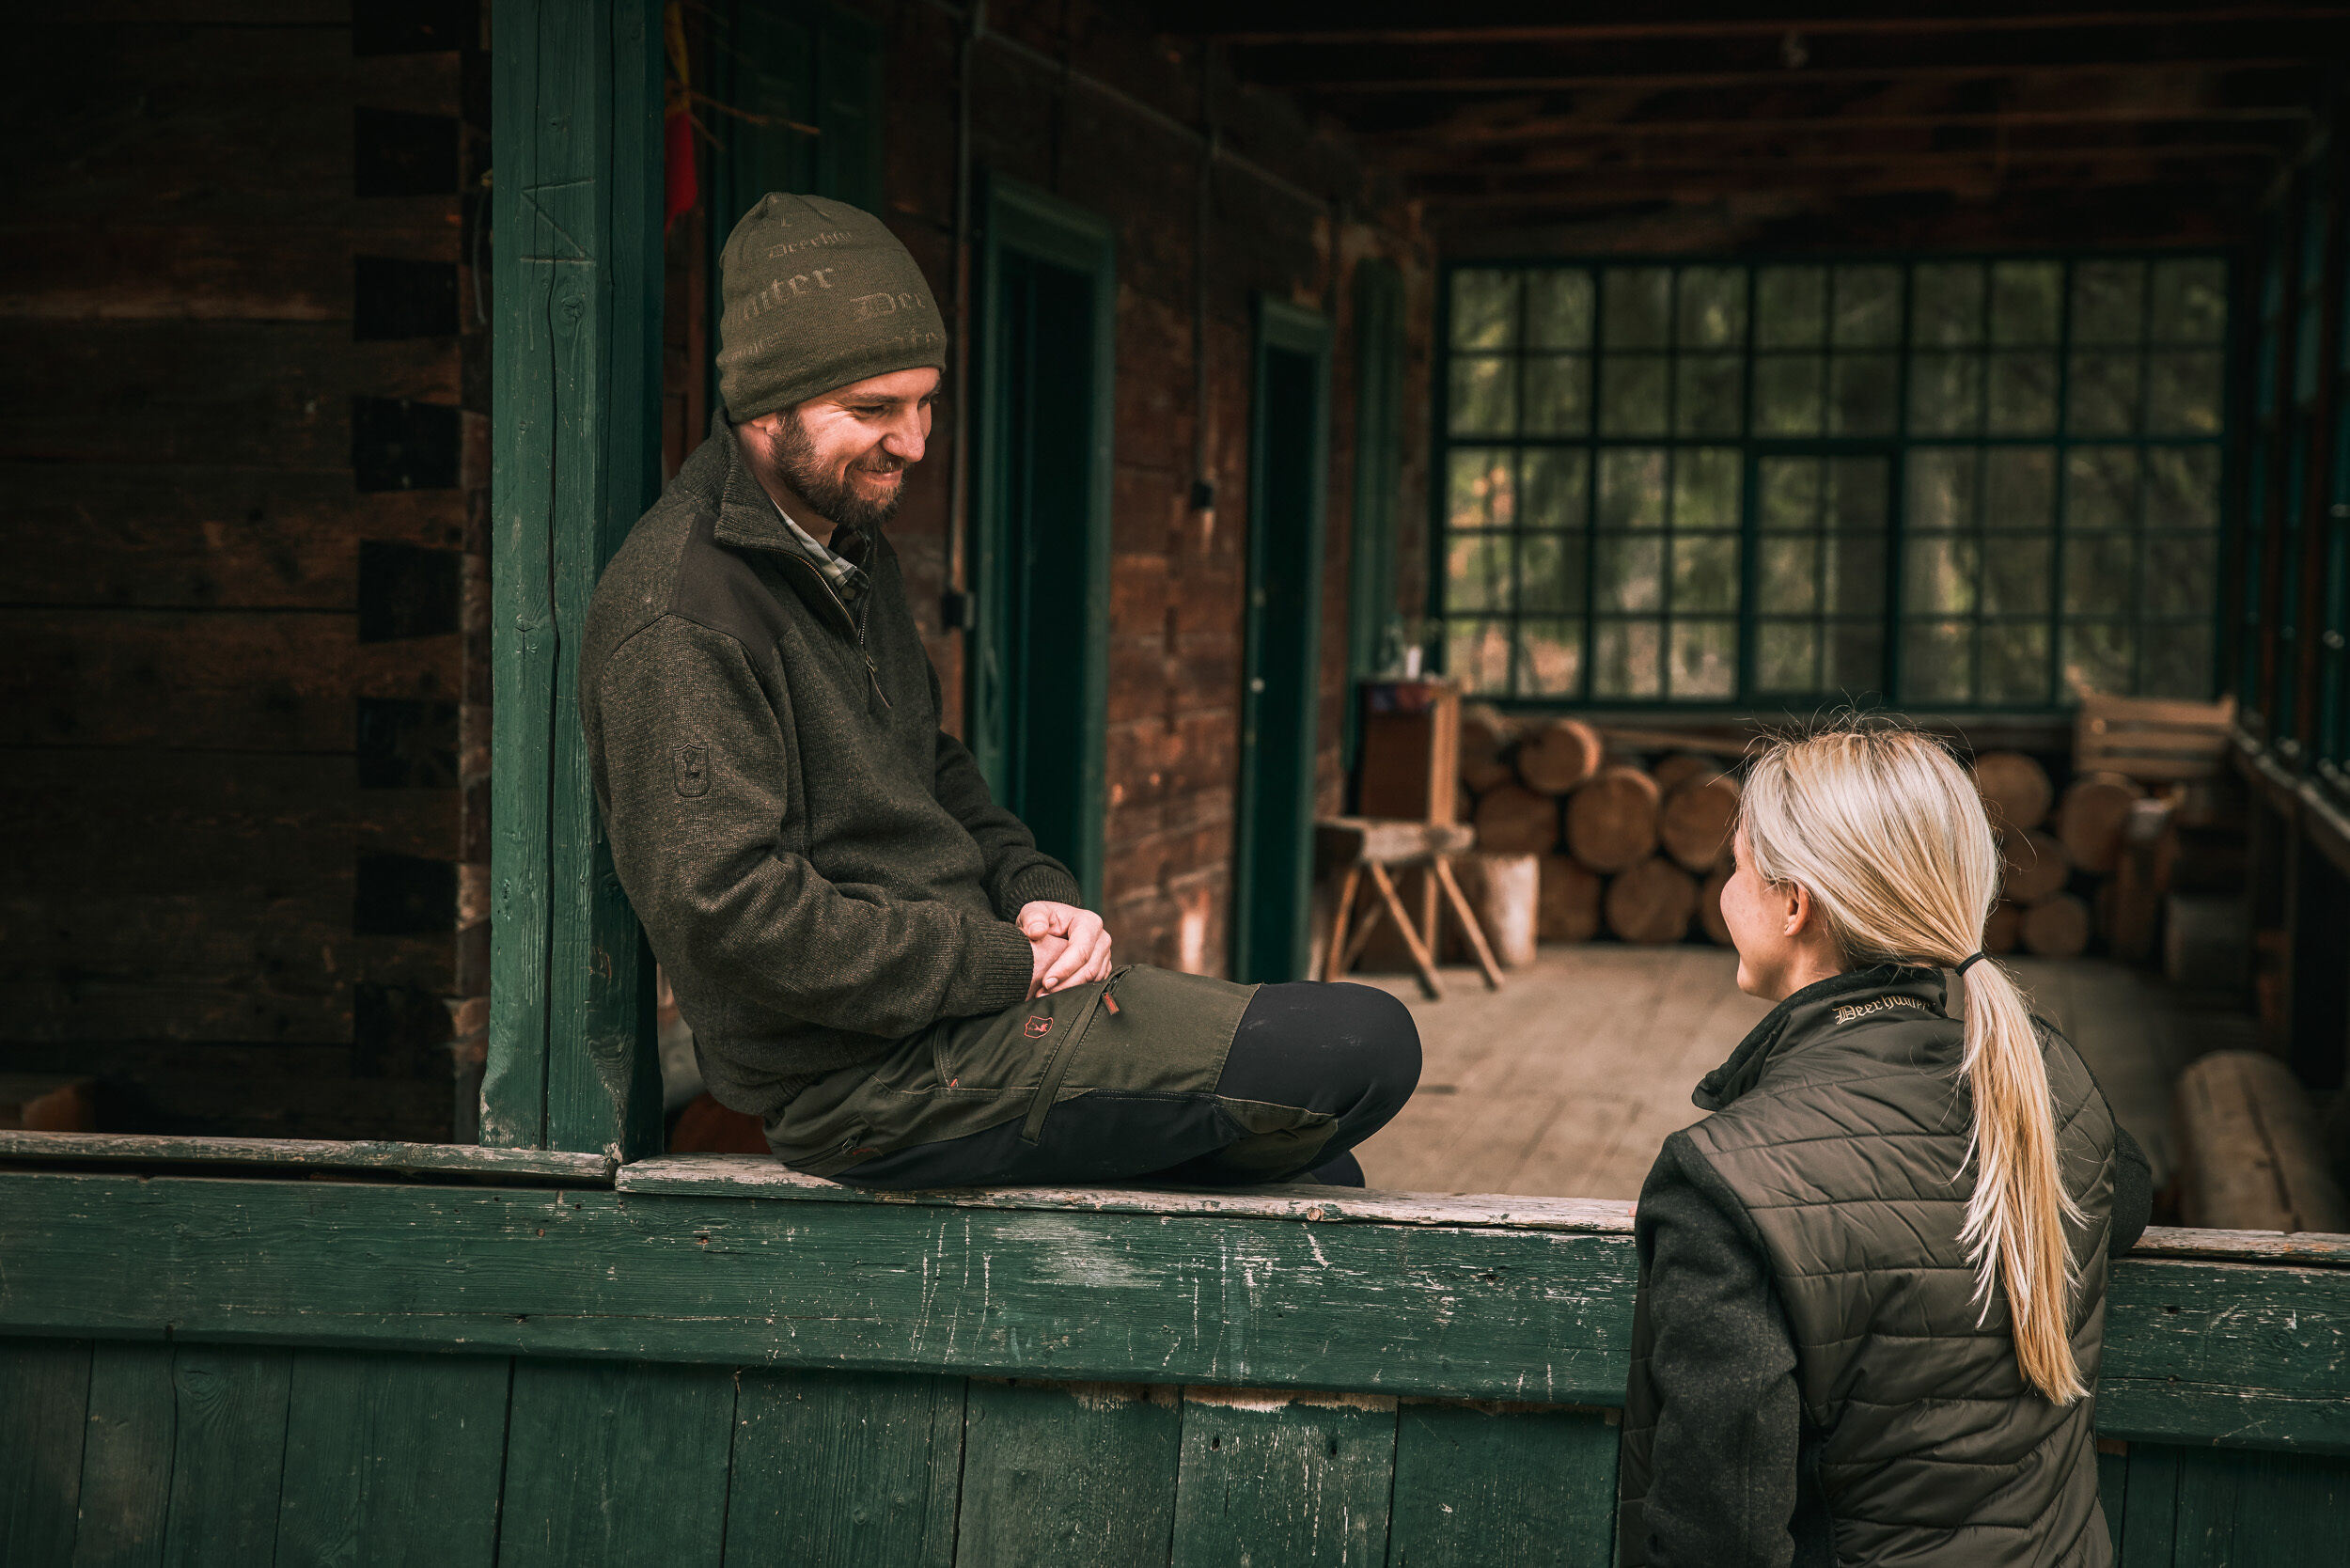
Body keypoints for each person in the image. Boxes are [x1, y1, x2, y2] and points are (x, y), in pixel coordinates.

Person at [580, 192, 1418, 1190]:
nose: (916, 442)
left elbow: (930, 769)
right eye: (875, 410)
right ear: (765, 406)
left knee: (1320, 1174)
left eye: (924, 401)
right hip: (864, 1084)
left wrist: (1035, 897)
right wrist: (998, 966)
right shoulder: (681, 613)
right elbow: (731, 914)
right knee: (1363, 1043)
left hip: (971, 1012)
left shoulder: (842, 543)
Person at [1617, 724, 2152, 1567]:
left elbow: (1714, 1538)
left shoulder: (1723, 1180)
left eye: (1738, 866)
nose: (1725, 891)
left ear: (1795, 905)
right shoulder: (2048, 1081)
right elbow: (2127, 1197)